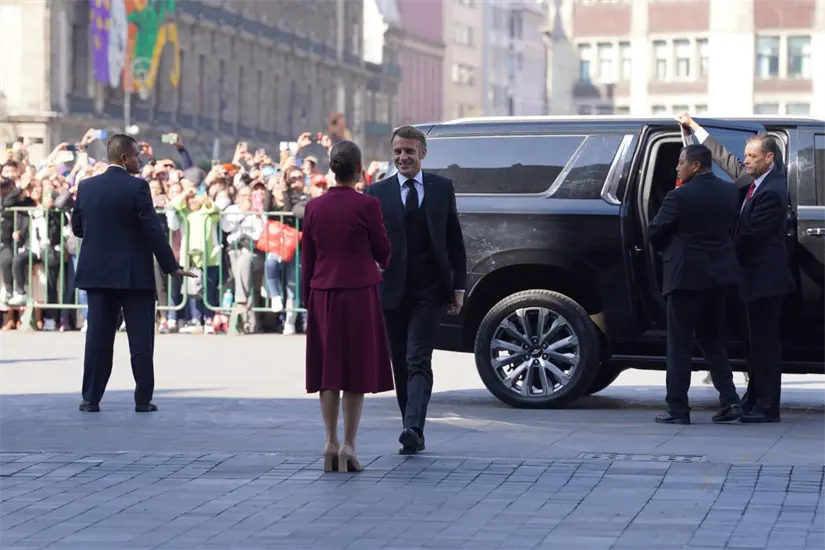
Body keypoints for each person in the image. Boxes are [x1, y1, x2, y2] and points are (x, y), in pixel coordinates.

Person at [677, 113, 795, 423]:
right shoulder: (754, 181)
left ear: (769, 158)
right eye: (747, 156)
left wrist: (718, 254)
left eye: (753, 157)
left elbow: (751, 237)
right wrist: (695, 129)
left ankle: (767, 407)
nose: (747, 161)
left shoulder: (772, 191)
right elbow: (725, 159)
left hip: (765, 280)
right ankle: (753, 398)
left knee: (765, 346)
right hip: (751, 279)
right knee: (752, 345)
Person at [71, 134, 194, 413]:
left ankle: (90, 398)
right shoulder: (137, 187)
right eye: (137, 155)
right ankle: (142, 399)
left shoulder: (86, 186)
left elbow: (77, 227)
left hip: (98, 274)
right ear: (124, 158)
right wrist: (170, 266)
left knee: (97, 339)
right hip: (133, 275)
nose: (140, 159)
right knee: (140, 341)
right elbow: (152, 229)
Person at [365, 126, 467, 455]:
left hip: (430, 290)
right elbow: (367, 242)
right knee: (400, 362)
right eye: (397, 152)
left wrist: (459, 287)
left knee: (418, 358)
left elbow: (454, 240)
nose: (403, 157)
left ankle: (413, 427)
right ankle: (409, 424)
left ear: (423, 153)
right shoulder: (377, 192)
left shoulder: (441, 188)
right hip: (391, 292)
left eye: (409, 151)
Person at [301, 140, 393, 472]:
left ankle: (330, 441)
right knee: (355, 369)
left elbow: (308, 259)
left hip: (323, 293)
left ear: (332, 168)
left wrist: (307, 300)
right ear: (359, 170)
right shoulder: (368, 205)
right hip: (358, 293)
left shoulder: (314, 207)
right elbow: (383, 250)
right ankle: (349, 447)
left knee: (328, 370)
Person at [647, 144, 743, 425]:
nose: (678, 167)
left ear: (696, 165)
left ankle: (678, 409)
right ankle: (731, 401)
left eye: (681, 162)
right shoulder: (730, 192)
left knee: (679, 344)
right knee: (713, 340)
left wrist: (671, 249)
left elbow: (655, 231)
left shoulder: (678, 196)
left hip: (685, 278)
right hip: (719, 277)